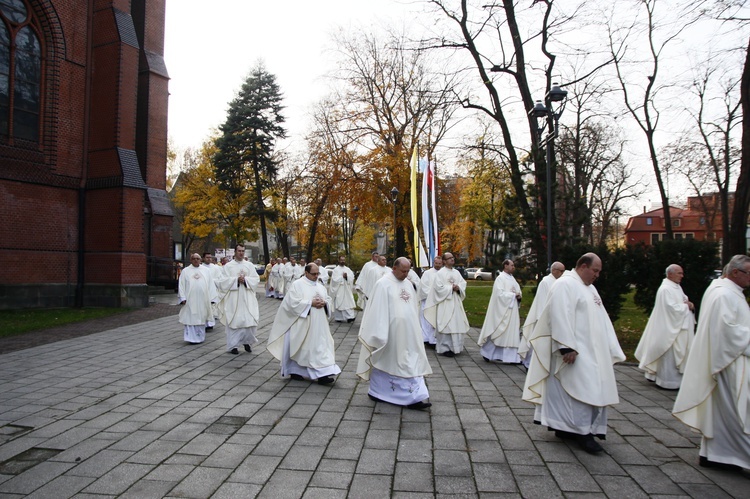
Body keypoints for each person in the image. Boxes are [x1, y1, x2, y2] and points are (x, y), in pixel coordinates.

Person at [522, 253, 625, 454]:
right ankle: (582, 432)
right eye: (595, 271)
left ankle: (565, 428)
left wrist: (610, 347)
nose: (597, 275)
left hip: (592, 351)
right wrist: (566, 346)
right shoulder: (565, 285)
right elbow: (559, 314)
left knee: (586, 388)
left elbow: (601, 318)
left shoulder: (590, 288)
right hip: (574, 352)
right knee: (579, 390)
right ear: (583, 266)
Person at [672, 254, 750, 471]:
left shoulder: (727, 291)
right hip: (729, 362)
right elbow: (726, 331)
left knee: (724, 413)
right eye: (749, 273)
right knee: (737, 414)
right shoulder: (724, 294)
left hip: (730, 359)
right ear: (735, 272)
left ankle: (717, 454)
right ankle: (731, 454)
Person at [357, 257, 433, 410]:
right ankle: (377, 392)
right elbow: (377, 311)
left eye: (408, 271)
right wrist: (380, 334)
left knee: (410, 361)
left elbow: (413, 306)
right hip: (390, 333)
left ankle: (414, 396)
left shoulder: (408, 284)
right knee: (388, 361)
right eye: (403, 271)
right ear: (394, 268)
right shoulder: (383, 284)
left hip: (409, 333)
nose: (406, 274)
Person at [267, 263, 341, 385]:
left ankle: (323, 374)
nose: (316, 276)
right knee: (302, 348)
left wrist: (324, 303)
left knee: (321, 348)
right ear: (306, 273)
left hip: (319, 325)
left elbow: (328, 299)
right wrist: (310, 303)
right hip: (302, 324)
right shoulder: (297, 285)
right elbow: (292, 304)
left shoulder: (320, 286)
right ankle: (296, 371)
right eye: (314, 274)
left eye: (318, 274)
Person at [634, 264, 695, 389]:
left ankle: (677, 382)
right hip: (670, 328)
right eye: (679, 273)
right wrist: (686, 306)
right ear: (670, 274)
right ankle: (667, 382)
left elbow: (684, 300)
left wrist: (689, 305)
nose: (682, 276)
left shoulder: (676, 287)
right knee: (668, 355)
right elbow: (670, 309)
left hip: (679, 327)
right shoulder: (665, 289)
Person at [216, 244, 260, 355]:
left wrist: (245, 280)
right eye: (239, 251)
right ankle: (233, 346)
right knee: (234, 321)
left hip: (247, 297)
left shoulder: (249, 265)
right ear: (235, 252)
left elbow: (256, 279)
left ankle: (247, 342)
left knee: (249, 320)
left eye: (243, 251)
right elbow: (222, 281)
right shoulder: (228, 266)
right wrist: (236, 280)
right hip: (234, 298)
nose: (241, 253)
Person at [424, 252, 470, 357]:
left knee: (456, 323)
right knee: (446, 324)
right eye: (449, 258)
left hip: (455, 302)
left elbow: (463, 283)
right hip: (445, 303)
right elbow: (437, 288)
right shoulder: (440, 273)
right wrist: (450, 288)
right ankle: (445, 348)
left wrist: (459, 288)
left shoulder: (457, 273)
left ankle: (456, 347)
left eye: (453, 257)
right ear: (444, 261)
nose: (452, 260)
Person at [520, 262, 565, 369]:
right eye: (561, 271)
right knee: (538, 343)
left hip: (554, 317)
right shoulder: (546, 282)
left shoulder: (559, 282)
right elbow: (542, 301)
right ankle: (529, 363)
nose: (563, 273)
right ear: (554, 270)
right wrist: (543, 319)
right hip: (543, 317)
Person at [477, 259, 523, 363]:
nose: (513, 267)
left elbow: (518, 291)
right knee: (499, 332)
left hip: (512, 311)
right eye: (512, 265)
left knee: (510, 333)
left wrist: (519, 296)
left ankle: (511, 357)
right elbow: (499, 294)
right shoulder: (500, 278)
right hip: (502, 311)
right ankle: (487, 353)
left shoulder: (512, 279)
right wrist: (513, 295)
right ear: (505, 266)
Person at [178, 254, 215, 344]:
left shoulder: (206, 271)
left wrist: (212, 298)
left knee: (201, 317)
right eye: (194, 259)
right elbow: (181, 285)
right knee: (190, 317)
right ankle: (190, 338)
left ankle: (199, 337)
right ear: (191, 260)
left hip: (203, 299)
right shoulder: (186, 271)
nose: (196, 260)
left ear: (200, 260)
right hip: (190, 299)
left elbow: (210, 285)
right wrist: (182, 297)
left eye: (197, 259)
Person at [419, 256, 443, 347]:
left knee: (435, 321)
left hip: (439, 301)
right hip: (428, 300)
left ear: (442, 263)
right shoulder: (427, 273)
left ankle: (434, 340)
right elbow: (423, 286)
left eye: (439, 263)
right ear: (433, 263)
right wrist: (433, 294)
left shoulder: (443, 273)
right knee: (427, 320)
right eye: (436, 263)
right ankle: (425, 338)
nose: (438, 265)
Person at [329, 255, 357, 322]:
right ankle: (339, 318)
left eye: (343, 260)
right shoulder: (336, 270)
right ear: (338, 260)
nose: (342, 261)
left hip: (346, 289)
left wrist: (347, 277)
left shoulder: (347, 269)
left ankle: (350, 317)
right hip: (339, 289)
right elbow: (334, 280)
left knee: (348, 303)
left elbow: (352, 277)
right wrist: (342, 277)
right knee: (339, 302)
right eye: (341, 260)